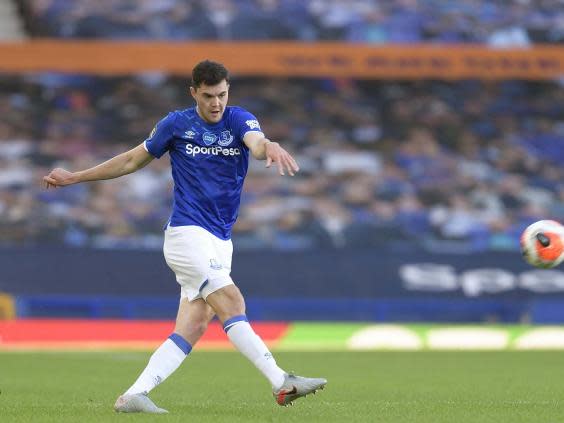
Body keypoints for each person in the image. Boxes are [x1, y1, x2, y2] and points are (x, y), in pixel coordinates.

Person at [43, 60, 327, 413]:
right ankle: (281, 381)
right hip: (187, 233)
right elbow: (132, 160)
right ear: (193, 92)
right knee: (232, 302)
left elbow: (254, 143)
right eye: (208, 96)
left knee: (193, 324)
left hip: (221, 240)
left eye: (222, 95)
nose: (216, 103)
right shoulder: (176, 124)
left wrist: (267, 145)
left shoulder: (239, 119)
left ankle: (134, 395)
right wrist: (76, 177)